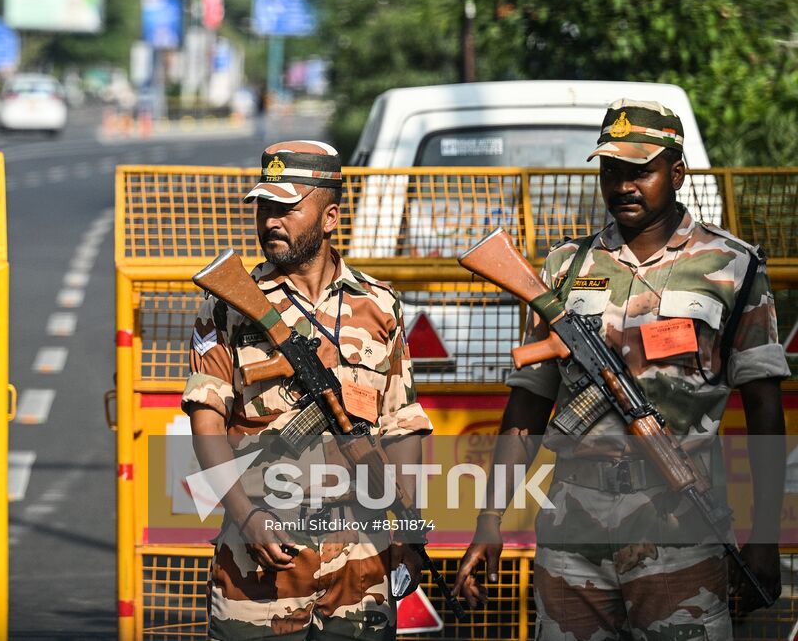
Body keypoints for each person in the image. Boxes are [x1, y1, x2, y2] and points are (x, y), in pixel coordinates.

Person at [452, 99, 788, 640]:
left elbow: (764, 406)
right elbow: (530, 401)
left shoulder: (731, 266)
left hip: (681, 527)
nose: (624, 185)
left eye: (640, 171)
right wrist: (490, 518)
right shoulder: (567, 267)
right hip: (571, 535)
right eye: (611, 171)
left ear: (676, 172)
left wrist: (766, 534)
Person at [183, 140, 434, 640]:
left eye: (287, 208)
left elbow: (401, 420)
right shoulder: (232, 302)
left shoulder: (379, 305)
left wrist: (407, 525)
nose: (271, 220)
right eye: (264, 207)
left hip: (362, 552)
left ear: (330, 216)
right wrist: (246, 517)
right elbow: (205, 421)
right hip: (264, 548)